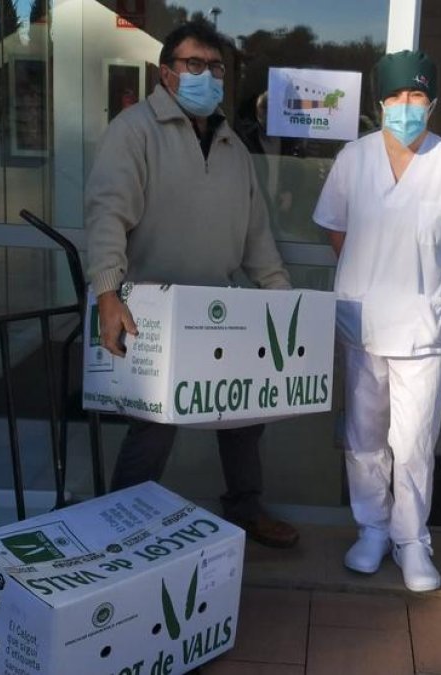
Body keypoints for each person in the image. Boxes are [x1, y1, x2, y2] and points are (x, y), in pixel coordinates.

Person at [84, 20, 298, 549]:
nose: (207, 75)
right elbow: (108, 213)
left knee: (243, 415)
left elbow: (257, 237)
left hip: (221, 309)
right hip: (153, 308)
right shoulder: (133, 131)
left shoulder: (232, 146)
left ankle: (246, 509)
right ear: (167, 73)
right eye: (194, 65)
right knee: (153, 427)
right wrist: (107, 293)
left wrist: (284, 304)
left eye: (216, 67)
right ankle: (121, 522)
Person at [313, 50, 441, 591]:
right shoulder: (353, 160)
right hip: (361, 325)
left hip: (422, 330)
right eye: (395, 97)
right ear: (379, 103)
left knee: (413, 441)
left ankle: (412, 540)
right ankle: (371, 529)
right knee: (364, 435)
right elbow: (338, 233)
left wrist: (425, 289)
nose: (405, 107)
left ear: (432, 102)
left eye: (416, 97)